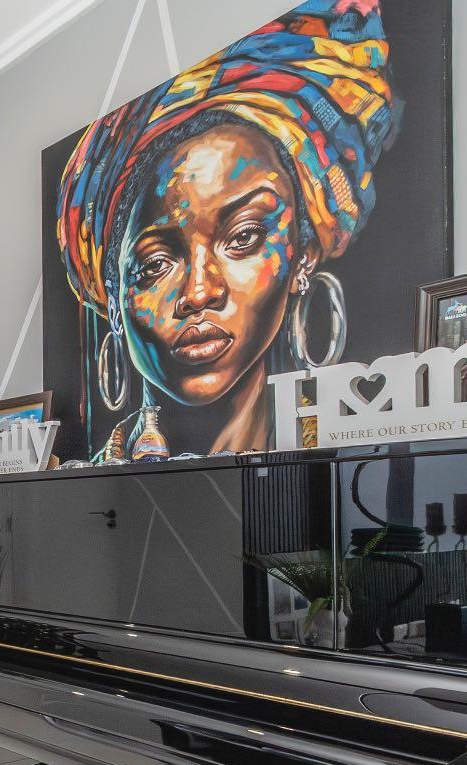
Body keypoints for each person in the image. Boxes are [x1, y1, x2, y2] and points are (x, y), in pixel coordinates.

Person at [55, 0, 399, 460]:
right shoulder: (89, 490)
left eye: (244, 237)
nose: (199, 293)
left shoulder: (343, 464)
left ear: (302, 255)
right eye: (155, 264)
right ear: (114, 300)